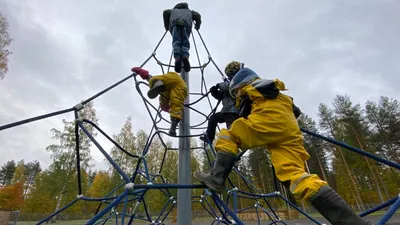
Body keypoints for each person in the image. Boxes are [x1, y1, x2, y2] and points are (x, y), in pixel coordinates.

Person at [194, 61, 370, 225]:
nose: (237, 96)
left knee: (230, 136)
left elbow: (243, 113)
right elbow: (296, 111)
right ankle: (352, 222)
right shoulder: (279, 92)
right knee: (295, 175)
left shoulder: (249, 88)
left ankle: (217, 177)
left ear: (239, 85)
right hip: (290, 130)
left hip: (269, 119)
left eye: (236, 93)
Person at [132, 67, 188, 136]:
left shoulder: (161, 81)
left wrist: (141, 72)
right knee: (166, 103)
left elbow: (175, 105)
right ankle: (157, 86)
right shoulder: (161, 84)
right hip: (167, 86)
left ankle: (173, 127)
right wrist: (140, 71)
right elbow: (148, 77)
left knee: (176, 102)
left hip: (178, 84)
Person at [163, 2, 202, 73]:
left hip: (175, 25)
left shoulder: (172, 11)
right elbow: (198, 15)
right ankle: (185, 57)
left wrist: (167, 26)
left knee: (176, 42)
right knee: (185, 42)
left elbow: (165, 12)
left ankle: (177, 59)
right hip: (186, 25)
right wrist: (197, 26)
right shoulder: (189, 12)